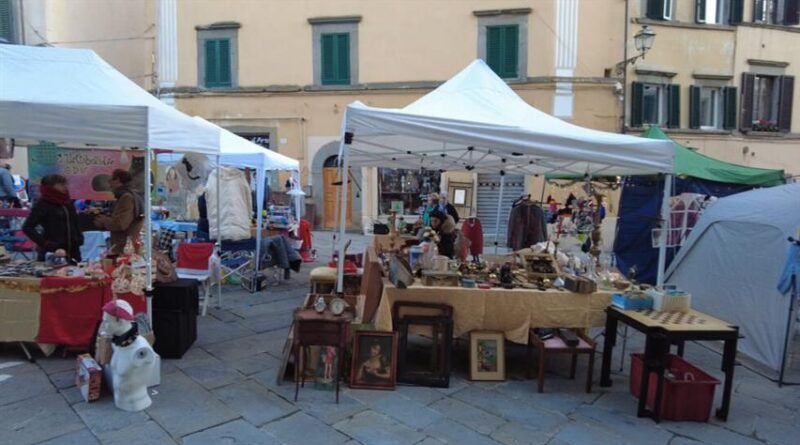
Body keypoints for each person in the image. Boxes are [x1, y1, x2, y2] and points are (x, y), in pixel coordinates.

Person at [22, 174, 83, 262]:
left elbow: (75, 221)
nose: (65, 187)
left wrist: (79, 237)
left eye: (65, 184)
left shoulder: (67, 202)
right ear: (51, 187)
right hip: (52, 252)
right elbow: (27, 227)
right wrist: (45, 244)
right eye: (61, 184)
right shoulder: (42, 204)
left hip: (73, 250)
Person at [93, 169, 144, 256]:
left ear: (118, 180)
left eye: (111, 179)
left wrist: (103, 220)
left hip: (124, 249)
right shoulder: (127, 196)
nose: (109, 182)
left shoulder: (127, 197)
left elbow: (120, 224)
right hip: (124, 247)